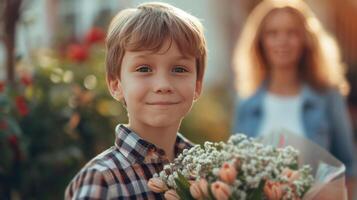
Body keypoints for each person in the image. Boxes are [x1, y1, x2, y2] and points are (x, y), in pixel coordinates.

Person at [65, 2, 207, 199]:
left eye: (179, 69)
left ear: (197, 85)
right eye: (144, 69)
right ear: (116, 84)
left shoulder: (209, 172)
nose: (163, 85)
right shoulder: (102, 180)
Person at [232, 0, 357, 198]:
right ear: (260, 42)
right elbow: (235, 172)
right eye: (272, 33)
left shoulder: (327, 97)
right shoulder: (247, 103)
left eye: (292, 33)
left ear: (306, 39)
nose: (283, 41)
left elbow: (348, 167)